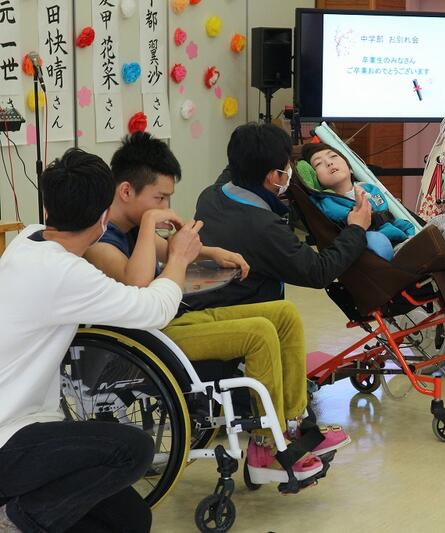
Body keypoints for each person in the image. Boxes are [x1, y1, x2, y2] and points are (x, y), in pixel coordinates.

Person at [84, 133, 347, 486]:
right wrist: (150, 227)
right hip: (148, 338)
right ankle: (265, 447)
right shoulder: (100, 241)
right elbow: (139, 287)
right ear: (126, 191)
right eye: (159, 198)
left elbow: (168, 249)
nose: (166, 207)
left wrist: (213, 253)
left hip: (174, 319)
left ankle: (292, 423)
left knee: (284, 315)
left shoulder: (130, 225)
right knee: (258, 333)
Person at [0, 148, 202, 532]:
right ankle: (14, 522)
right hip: (8, 439)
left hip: (27, 426)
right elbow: (153, 307)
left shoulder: (28, 239)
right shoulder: (63, 273)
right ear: (105, 216)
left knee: (131, 519)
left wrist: (152, 231)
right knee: (133, 449)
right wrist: (178, 258)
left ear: (48, 208)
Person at [300, 142, 445, 313]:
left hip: (403, 240)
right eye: (319, 164)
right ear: (315, 178)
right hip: (390, 255)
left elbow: (391, 219)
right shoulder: (328, 203)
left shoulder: (369, 188)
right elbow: (351, 221)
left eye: (333, 156)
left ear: (348, 163)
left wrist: (410, 231)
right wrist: (358, 205)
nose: (329, 163)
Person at [191, 122, 372, 310]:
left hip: (204, 299)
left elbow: (242, 159)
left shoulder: (210, 195)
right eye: (287, 165)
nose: (290, 168)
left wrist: (304, 150)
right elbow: (318, 271)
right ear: (273, 176)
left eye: (333, 157)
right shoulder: (265, 227)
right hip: (243, 311)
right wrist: (356, 229)